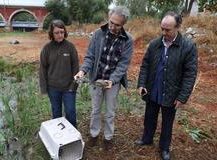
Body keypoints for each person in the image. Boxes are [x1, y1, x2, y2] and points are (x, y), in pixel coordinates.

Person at [135, 12, 198, 160]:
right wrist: (141, 84)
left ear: (178, 27)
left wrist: (182, 96)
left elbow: (190, 74)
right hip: (152, 89)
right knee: (149, 116)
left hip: (171, 92)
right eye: (162, 29)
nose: (164, 33)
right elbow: (145, 65)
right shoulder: (155, 44)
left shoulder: (188, 47)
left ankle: (164, 148)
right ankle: (147, 138)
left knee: (167, 122)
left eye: (168, 30)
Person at [74, 6, 133, 151]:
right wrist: (83, 71)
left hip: (112, 83)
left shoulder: (128, 40)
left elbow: (123, 64)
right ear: (109, 18)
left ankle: (108, 137)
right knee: (95, 110)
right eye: (111, 22)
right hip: (96, 79)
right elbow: (90, 56)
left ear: (123, 24)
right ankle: (94, 135)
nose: (112, 26)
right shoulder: (98, 34)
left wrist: (112, 80)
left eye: (117, 24)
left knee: (110, 112)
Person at [39, 19, 79, 128]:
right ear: (52, 33)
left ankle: (73, 137)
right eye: (56, 33)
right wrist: (43, 88)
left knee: (70, 113)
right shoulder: (47, 48)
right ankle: (59, 139)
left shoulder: (70, 47)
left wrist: (74, 86)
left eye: (62, 32)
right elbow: (42, 68)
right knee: (56, 114)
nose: (60, 35)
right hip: (53, 89)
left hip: (69, 88)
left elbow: (76, 67)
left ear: (64, 32)